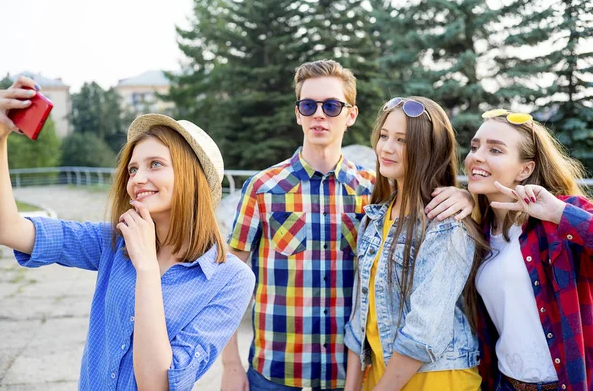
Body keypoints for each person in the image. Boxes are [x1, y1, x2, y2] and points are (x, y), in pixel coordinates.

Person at [220, 62, 475, 391]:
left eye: (331, 105)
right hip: (275, 374)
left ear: (350, 114)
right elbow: (227, 281)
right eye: (308, 105)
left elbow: (425, 197)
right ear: (298, 113)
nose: (319, 115)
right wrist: (229, 365)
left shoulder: (375, 192)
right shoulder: (262, 188)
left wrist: (467, 198)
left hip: (348, 376)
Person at [0, 76, 255, 391]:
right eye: (133, 169)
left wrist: (146, 267)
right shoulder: (113, 241)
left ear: (192, 178)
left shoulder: (232, 279)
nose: (137, 178)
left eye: (155, 164)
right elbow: (6, 229)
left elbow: (156, 384)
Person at [344, 97, 486, 391]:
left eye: (402, 141)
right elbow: (360, 320)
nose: (387, 148)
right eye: (384, 136)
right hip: (382, 376)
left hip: (435, 380)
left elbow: (425, 329)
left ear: (427, 151)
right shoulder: (374, 218)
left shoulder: (446, 222)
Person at [464, 109, 592, 391]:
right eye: (475, 147)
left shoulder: (561, 220)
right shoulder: (478, 233)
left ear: (525, 169)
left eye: (495, 150)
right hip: (505, 384)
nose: (477, 156)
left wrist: (558, 212)